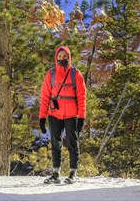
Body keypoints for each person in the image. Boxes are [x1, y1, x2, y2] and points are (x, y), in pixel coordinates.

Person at [39, 45, 87, 184]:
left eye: (64, 56)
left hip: (72, 115)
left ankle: (73, 173)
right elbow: (45, 97)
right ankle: (55, 174)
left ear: (69, 57)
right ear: (56, 58)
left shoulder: (75, 74)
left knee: (73, 143)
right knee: (55, 143)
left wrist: (81, 117)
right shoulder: (51, 74)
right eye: (59, 56)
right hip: (54, 114)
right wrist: (42, 117)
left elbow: (82, 96)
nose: (62, 59)